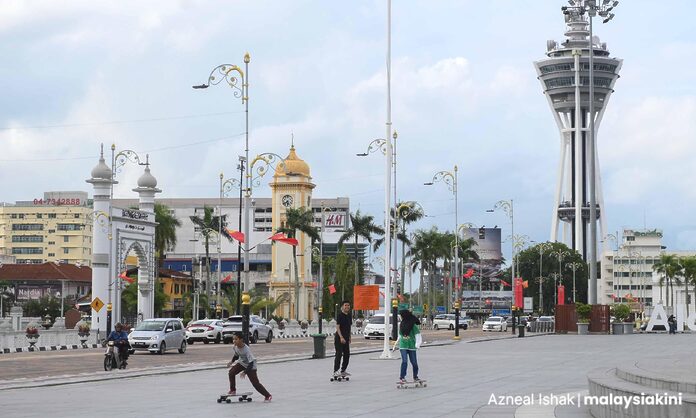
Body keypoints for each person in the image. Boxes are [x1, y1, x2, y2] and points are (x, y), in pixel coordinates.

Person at [227, 331, 272, 402]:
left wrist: (245, 372)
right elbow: (236, 355)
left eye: (236, 339)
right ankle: (233, 390)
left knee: (255, 384)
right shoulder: (235, 347)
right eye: (233, 339)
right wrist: (231, 362)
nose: (234, 341)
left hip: (251, 366)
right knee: (231, 373)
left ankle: (268, 395)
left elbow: (251, 363)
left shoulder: (247, 350)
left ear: (241, 340)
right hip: (242, 363)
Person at [394, 309, 421, 383]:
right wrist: (396, 344)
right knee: (404, 361)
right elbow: (400, 335)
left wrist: (417, 345)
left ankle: (415, 377)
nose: (401, 317)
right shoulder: (402, 324)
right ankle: (402, 377)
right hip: (403, 345)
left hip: (412, 346)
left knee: (414, 363)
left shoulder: (413, 326)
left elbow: (418, 335)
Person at [333, 300, 352, 378]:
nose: (347, 307)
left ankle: (343, 370)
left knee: (347, 354)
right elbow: (338, 327)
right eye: (345, 305)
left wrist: (350, 337)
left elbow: (349, 327)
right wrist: (341, 337)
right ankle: (335, 371)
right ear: (342, 307)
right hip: (339, 338)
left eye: (348, 305)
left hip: (346, 338)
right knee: (339, 354)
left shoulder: (349, 315)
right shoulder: (340, 315)